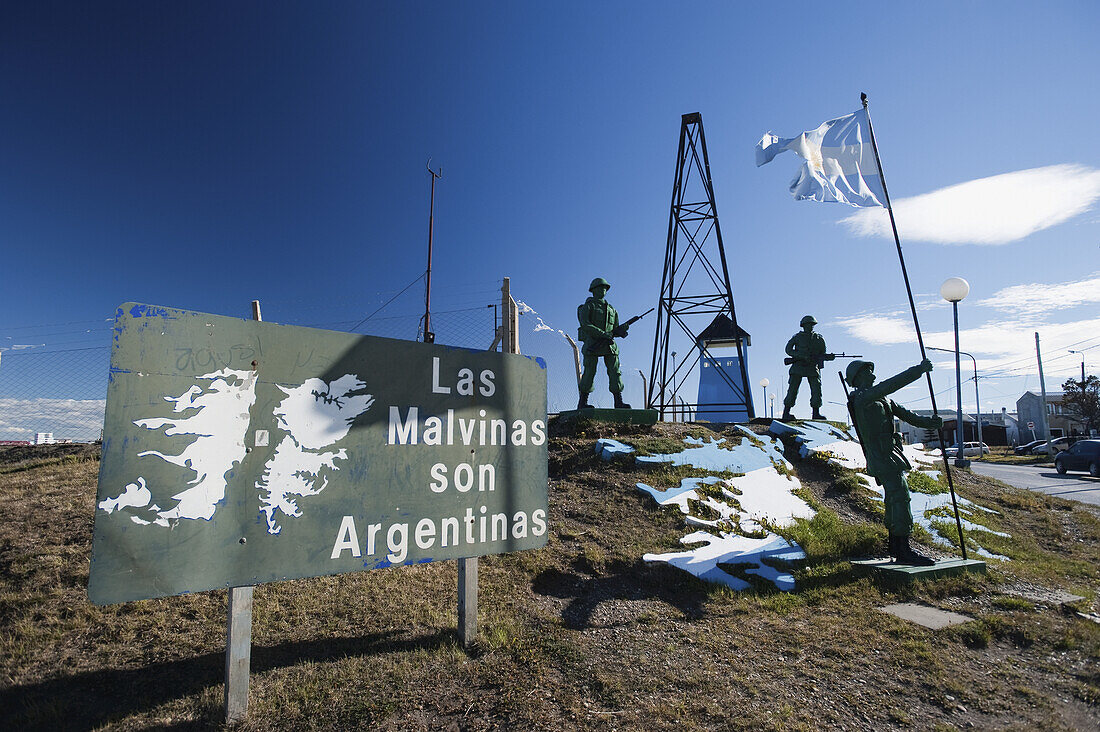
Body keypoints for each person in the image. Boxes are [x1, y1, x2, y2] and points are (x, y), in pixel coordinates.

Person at [846, 358, 944, 565]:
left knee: (895, 499)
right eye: (867, 370)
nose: (872, 372)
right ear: (859, 377)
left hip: (892, 453)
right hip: (880, 455)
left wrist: (930, 423)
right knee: (900, 498)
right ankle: (903, 549)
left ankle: (896, 545)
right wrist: (918, 370)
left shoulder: (883, 399)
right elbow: (893, 383)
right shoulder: (863, 398)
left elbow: (909, 416)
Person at [577, 277, 630, 409]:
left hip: (609, 345)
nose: (603, 290)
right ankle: (583, 402)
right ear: (593, 290)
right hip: (593, 343)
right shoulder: (588, 306)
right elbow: (585, 324)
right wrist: (601, 334)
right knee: (589, 371)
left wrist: (622, 330)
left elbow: (615, 328)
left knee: (615, 372)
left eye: (605, 288)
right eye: (600, 287)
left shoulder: (612, 309)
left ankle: (619, 401)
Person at [782, 315, 829, 421]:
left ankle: (816, 413)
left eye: (812, 325)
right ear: (803, 326)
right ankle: (786, 412)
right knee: (793, 389)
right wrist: (801, 356)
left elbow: (823, 354)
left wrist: (827, 357)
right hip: (798, 366)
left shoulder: (819, 338)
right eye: (808, 325)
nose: (810, 327)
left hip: (812, 367)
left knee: (816, 389)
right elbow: (788, 350)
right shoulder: (797, 337)